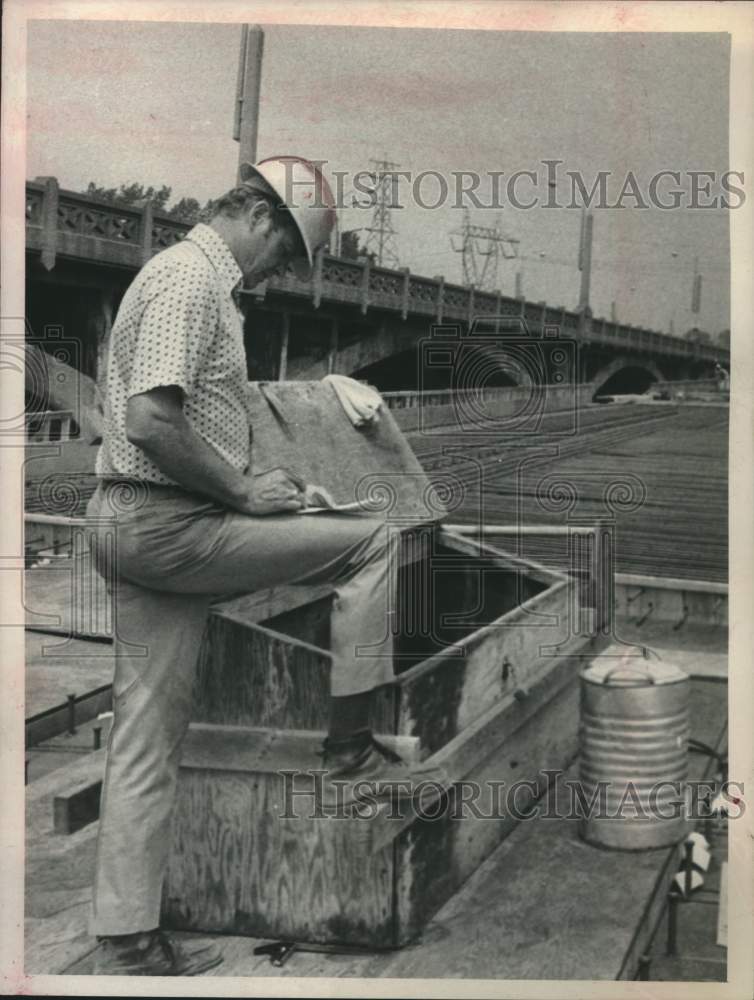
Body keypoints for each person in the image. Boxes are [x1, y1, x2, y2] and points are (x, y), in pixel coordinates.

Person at [87, 158, 434, 976]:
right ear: (264, 221)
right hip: (165, 528)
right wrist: (245, 492)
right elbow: (149, 420)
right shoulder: (189, 280)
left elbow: (203, 410)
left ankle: (126, 940)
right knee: (373, 538)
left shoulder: (194, 283)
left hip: (138, 528)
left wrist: (279, 470)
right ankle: (348, 742)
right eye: (283, 257)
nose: (278, 275)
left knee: (145, 738)